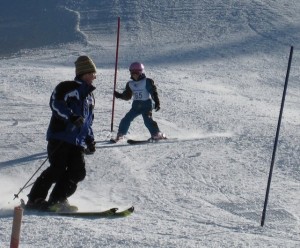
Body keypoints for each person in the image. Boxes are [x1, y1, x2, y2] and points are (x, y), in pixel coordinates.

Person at [26, 55, 97, 211]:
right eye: (92, 73)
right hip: (60, 136)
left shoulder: (90, 96)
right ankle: (35, 199)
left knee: (78, 172)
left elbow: (87, 121)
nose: (94, 77)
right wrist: (71, 116)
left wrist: (90, 140)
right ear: (84, 73)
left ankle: (57, 199)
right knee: (57, 168)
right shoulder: (67, 87)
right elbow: (56, 104)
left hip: (77, 142)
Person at [113, 62, 165, 142]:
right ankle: (121, 134)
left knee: (147, 120)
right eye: (132, 73)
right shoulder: (130, 84)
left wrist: (157, 102)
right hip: (136, 106)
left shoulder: (147, 81)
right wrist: (119, 95)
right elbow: (127, 96)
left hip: (146, 105)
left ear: (141, 72)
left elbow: (153, 92)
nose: (134, 75)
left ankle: (156, 134)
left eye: (136, 73)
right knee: (126, 119)